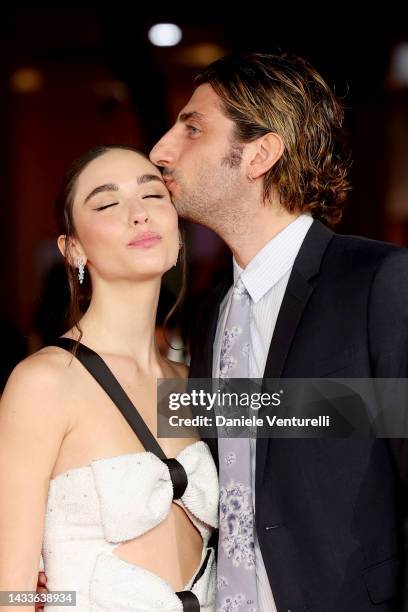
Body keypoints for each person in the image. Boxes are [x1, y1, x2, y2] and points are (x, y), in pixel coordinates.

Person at [149, 53, 408, 611]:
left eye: (192, 128)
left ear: (260, 154)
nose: (161, 150)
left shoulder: (379, 283)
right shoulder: (209, 314)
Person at [0, 145, 218, 611]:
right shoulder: (45, 382)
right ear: (73, 247)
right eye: (107, 203)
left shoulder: (191, 381)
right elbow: (10, 591)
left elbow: (347, 414)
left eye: (153, 195)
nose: (138, 215)